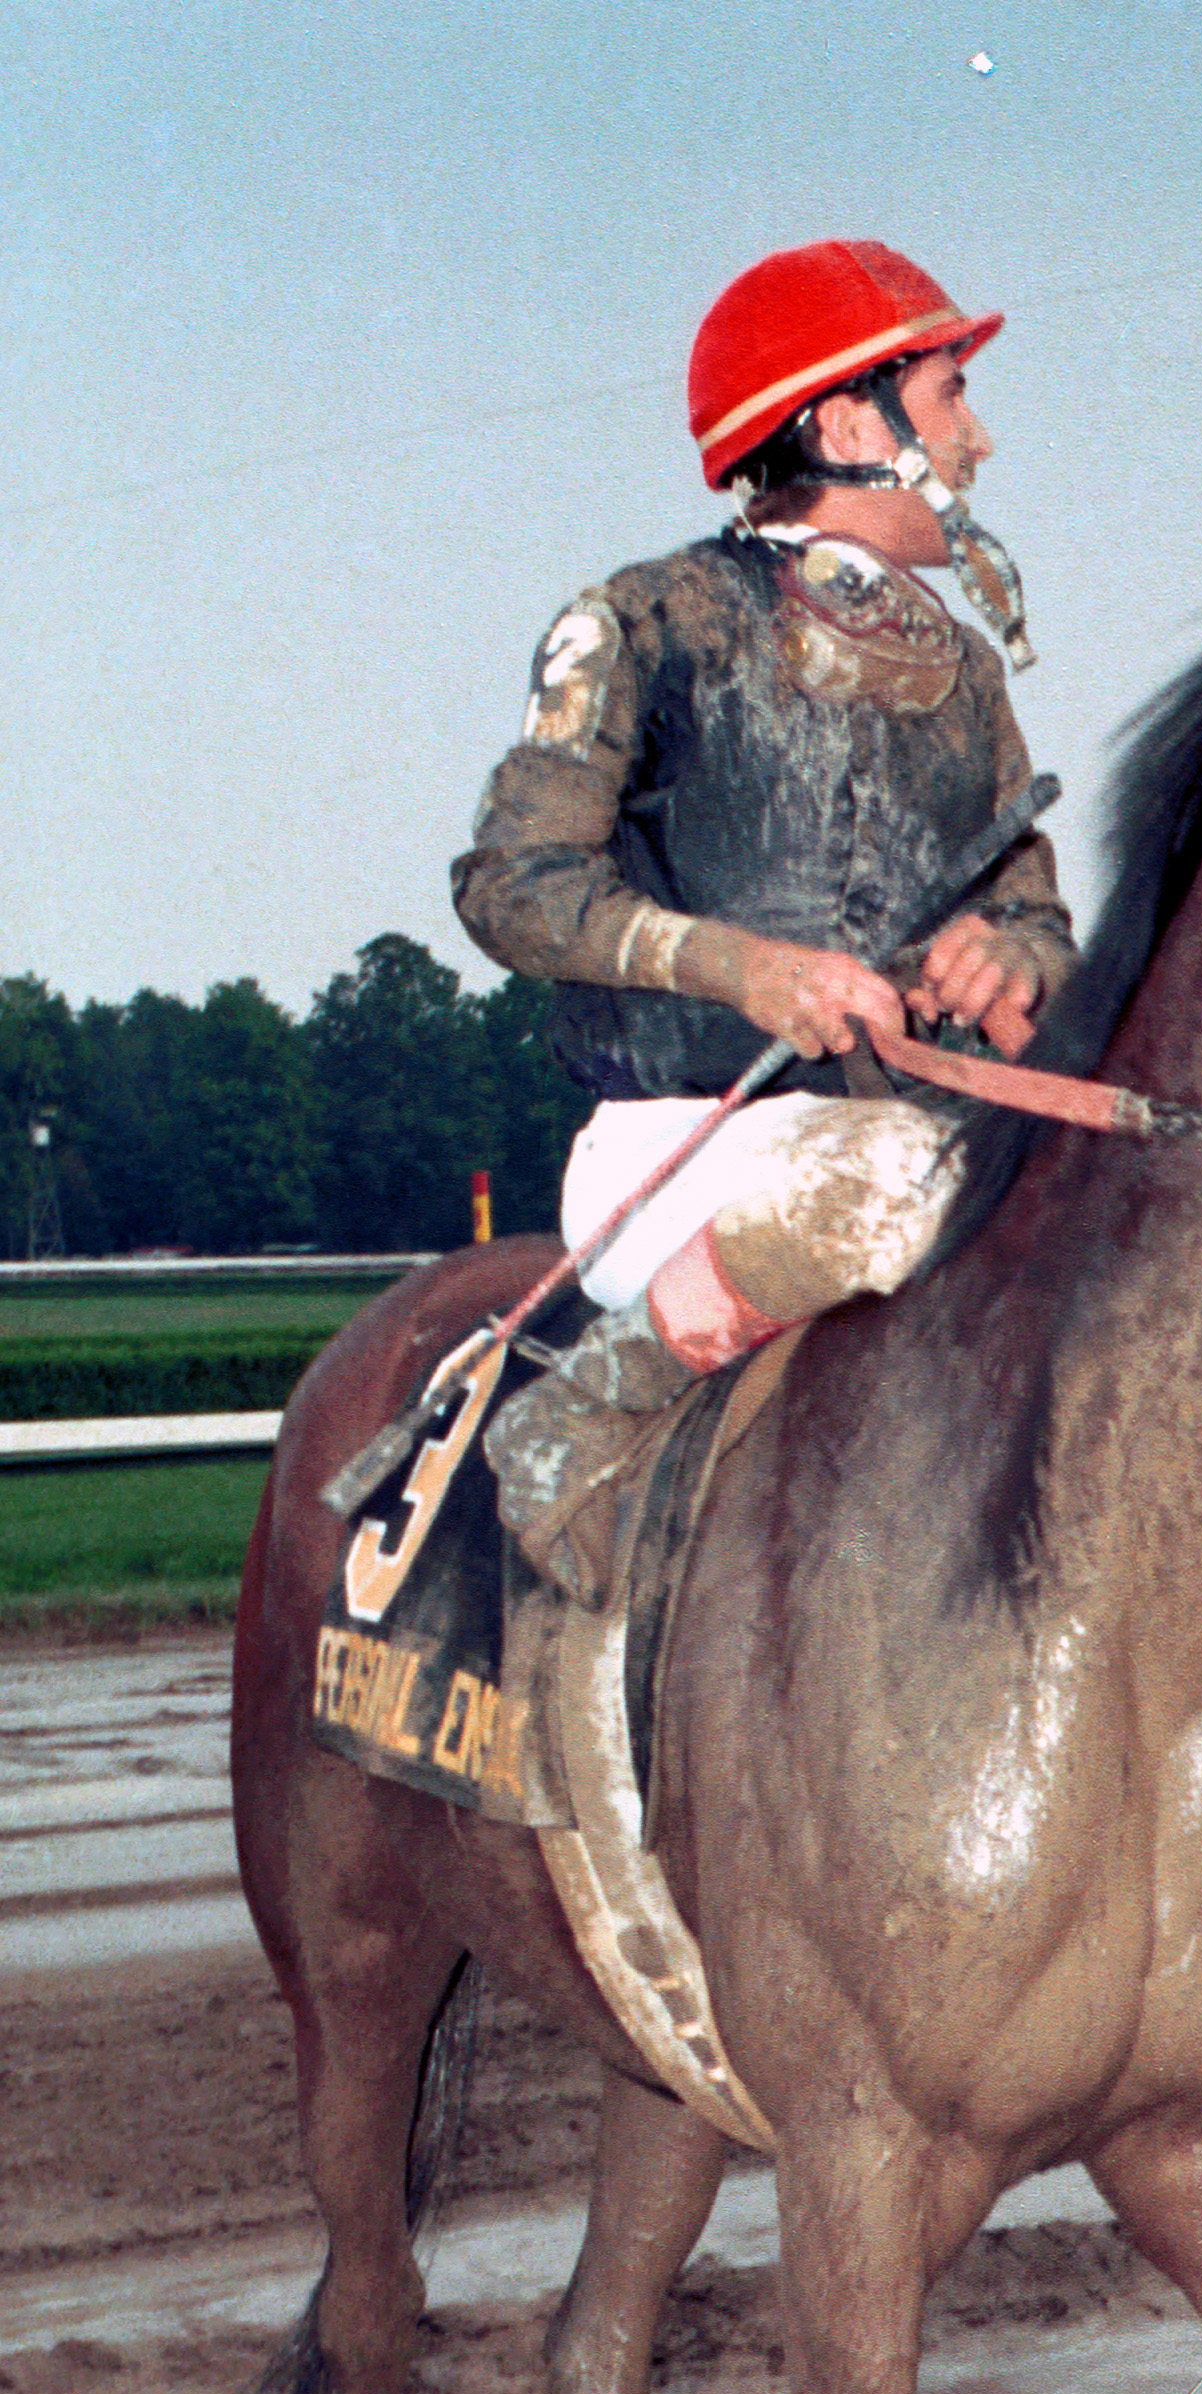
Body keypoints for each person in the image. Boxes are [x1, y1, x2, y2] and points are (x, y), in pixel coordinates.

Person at [451, 237, 1077, 1595]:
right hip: (684, 1151)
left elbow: (1038, 913)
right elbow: (510, 882)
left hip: (910, 1149)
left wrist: (1010, 955)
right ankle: (574, 1419)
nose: (979, 439)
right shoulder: (640, 619)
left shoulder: (965, 675)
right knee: (887, 1183)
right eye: (952, 392)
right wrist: (741, 969)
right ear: (854, 423)